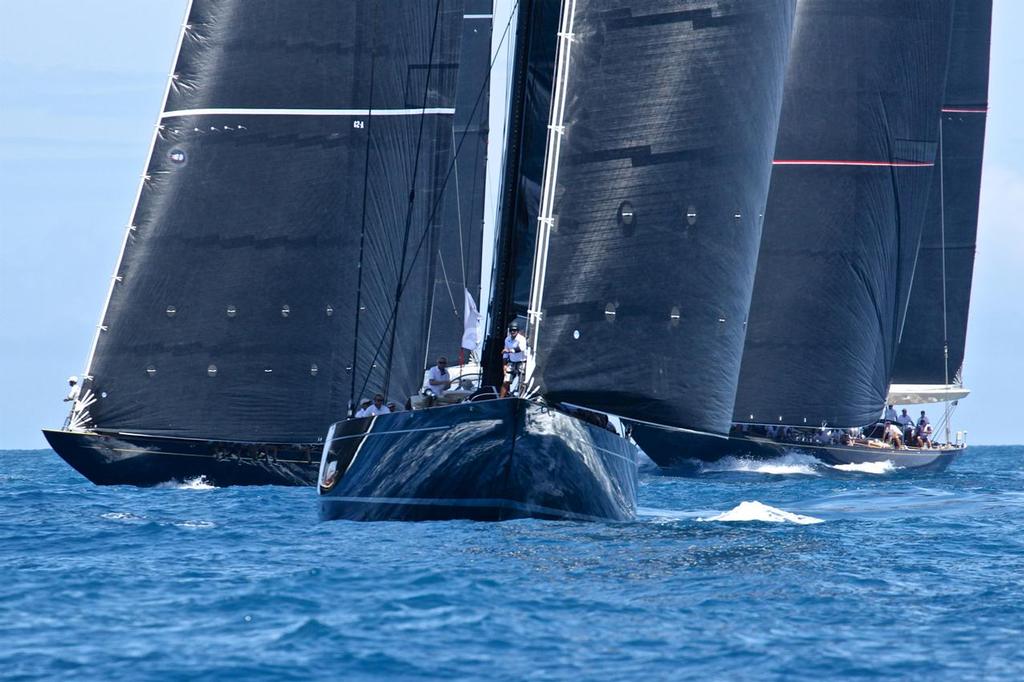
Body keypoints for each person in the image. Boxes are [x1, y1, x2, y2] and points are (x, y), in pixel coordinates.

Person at [502, 323, 528, 397]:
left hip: (521, 362)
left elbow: (521, 348)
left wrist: (509, 350)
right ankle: (501, 399)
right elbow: (505, 353)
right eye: (511, 330)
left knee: (522, 382)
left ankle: (520, 398)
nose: (513, 332)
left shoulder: (522, 339)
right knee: (506, 381)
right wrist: (504, 365)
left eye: (514, 330)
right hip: (512, 362)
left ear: (517, 331)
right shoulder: (507, 339)